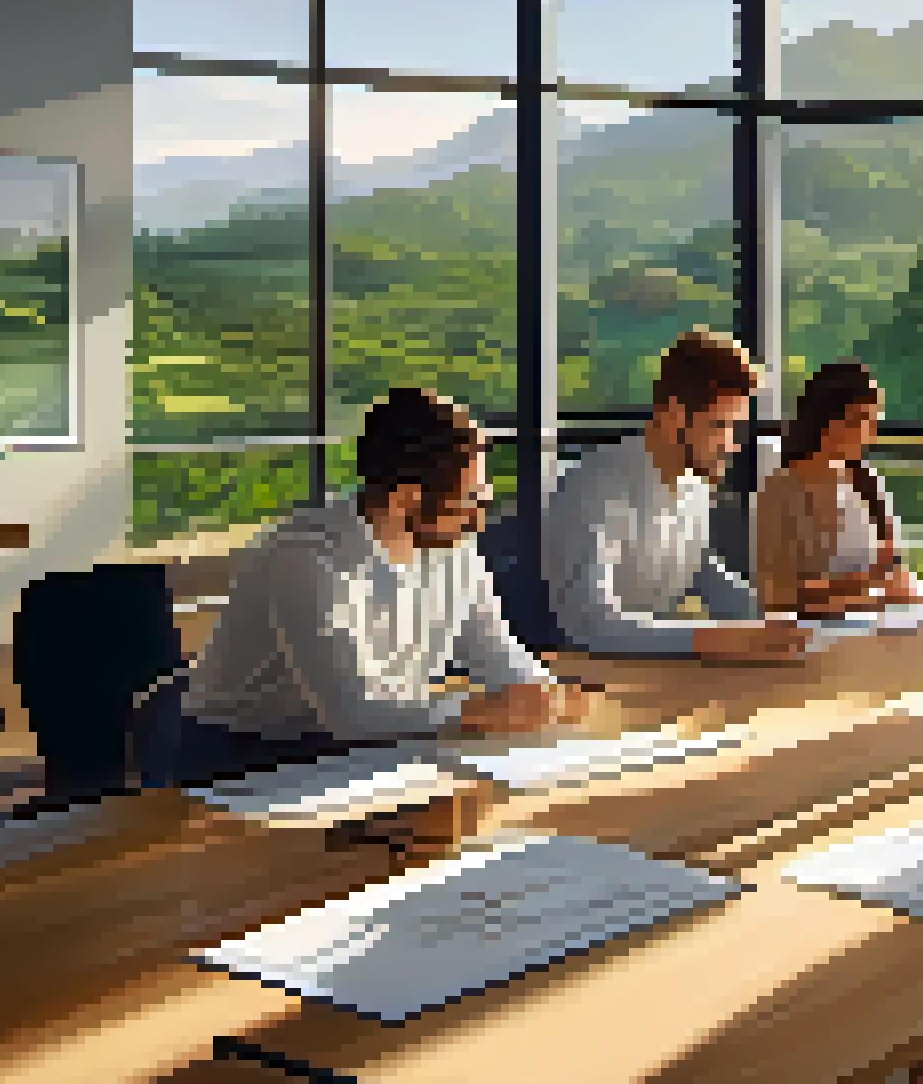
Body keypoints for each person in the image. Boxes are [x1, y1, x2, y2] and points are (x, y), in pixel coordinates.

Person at [153, 388, 579, 785]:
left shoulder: (453, 549)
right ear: (406, 500)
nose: (481, 520)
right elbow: (354, 713)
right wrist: (479, 710)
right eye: (473, 502)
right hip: (240, 756)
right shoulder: (305, 557)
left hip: (368, 743)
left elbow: (496, 651)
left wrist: (540, 691)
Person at [543, 330, 809, 660]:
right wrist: (716, 640)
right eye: (719, 426)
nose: (732, 445)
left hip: (651, 676)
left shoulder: (694, 484)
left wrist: (785, 620)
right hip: (579, 681)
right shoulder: (594, 489)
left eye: (735, 428)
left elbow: (699, 573)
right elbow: (592, 624)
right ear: (674, 416)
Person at [755, 361, 923, 617]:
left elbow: (896, 575)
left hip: (872, 628)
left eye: (873, 420)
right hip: (810, 637)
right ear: (828, 422)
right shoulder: (780, 491)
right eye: (862, 420)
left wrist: (882, 593)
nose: (872, 434)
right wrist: (868, 584)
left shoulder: (867, 483)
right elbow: (779, 597)